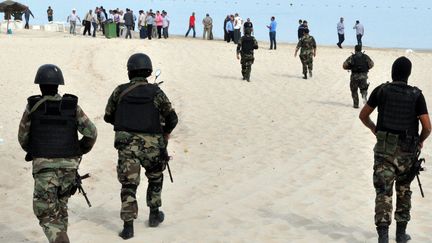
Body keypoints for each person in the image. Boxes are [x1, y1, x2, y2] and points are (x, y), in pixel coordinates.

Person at [18, 64, 97, 243]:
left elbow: (23, 138)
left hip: (45, 170)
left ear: (39, 86)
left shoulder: (33, 107)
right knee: (60, 210)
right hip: (69, 169)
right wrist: (78, 150)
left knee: (45, 213)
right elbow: (91, 133)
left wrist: (36, 150)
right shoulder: (71, 106)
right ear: (58, 85)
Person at [104, 53, 178, 240]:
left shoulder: (120, 91)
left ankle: (128, 227)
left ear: (130, 71)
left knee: (129, 185)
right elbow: (172, 118)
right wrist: (165, 134)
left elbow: (108, 116)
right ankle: (154, 214)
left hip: (127, 147)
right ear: (148, 71)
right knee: (155, 178)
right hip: (153, 145)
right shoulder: (156, 92)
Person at [359, 56, 431, 243]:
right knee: (404, 190)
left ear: (392, 72)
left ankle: (383, 237)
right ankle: (400, 234)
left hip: (384, 151)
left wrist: (376, 130)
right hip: (407, 153)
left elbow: (363, 115)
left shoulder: (381, 90)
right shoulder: (417, 95)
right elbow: (427, 127)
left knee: (383, 192)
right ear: (408, 74)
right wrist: (420, 141)